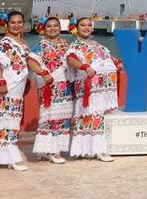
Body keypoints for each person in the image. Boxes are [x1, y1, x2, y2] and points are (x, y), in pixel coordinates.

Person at [66, 17, 122, 161]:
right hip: (87, 86)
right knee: (84, 116)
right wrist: (85, 67)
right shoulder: (75, 45)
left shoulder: (96, 44)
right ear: (76, 28)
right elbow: (71, 59)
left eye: (89, 25)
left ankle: (96, 149)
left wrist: (117, 62)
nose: (86, 27)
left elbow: (107, 57)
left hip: (101, 86)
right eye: (82, 25)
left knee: (97, 115)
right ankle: (85, 150)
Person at [0, 11, 31, 172]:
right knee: (4, 119)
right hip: (7, 87)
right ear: (7, 24)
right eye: (13, 23)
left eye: (20, 22)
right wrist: (1, 82)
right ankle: (10, 156)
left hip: (17, 88)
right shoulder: (6, 42)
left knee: (11, 119)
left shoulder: (22, 41)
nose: (17, 25)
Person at [28, 16, 74, 163]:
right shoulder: (41, 45)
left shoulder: (66, 44)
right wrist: (43, 73)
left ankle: (55, 148)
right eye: (49, 26)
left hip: (65, 86)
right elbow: (31, 61)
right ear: (44, 28)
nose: (52, 28)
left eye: (56, 26)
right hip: (50, 86)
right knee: (49, 116)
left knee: (62, 117)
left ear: (60, 28)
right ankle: (49, 149)